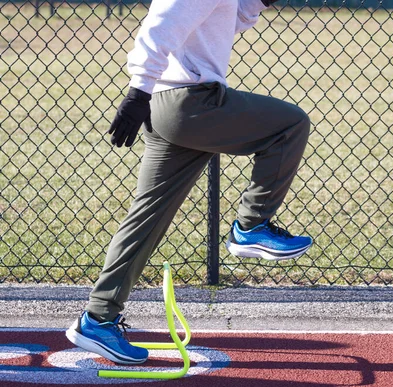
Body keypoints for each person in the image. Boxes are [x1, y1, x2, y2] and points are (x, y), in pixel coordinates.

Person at [65, 0, 312, 365]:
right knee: (290, 125)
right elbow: (160, 25)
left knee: (146, 219)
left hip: (173, 104)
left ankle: (98, 319)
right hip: (188, 102)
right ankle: (251, 226)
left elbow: (226, 20)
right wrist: (138, 90)